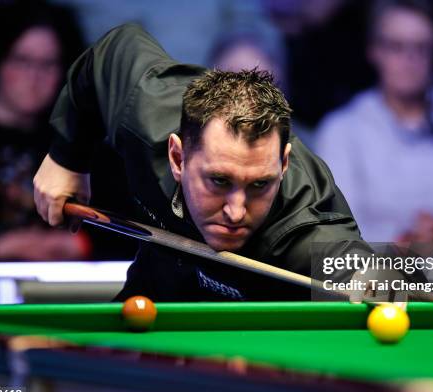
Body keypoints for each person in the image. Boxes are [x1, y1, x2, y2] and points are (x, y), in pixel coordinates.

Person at [33, 23, 372, 302]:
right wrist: (67, 158)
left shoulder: (306, 232)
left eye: (259, 185)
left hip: (264, 325)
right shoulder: (148, 114)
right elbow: (113, 51)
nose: (236, 211)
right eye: (219, 181)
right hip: (161, 285)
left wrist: (391, 282)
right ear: (177, 157)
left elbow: (383, 274)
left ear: (282, 165)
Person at [315, 0, 433, 244]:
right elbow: (336, 226)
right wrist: (401, 243)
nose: (409, 59)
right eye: (396, 46)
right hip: (371, 269)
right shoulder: (340, 132)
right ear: (374, 51)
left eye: (421, 47)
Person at [0, 2, 92, 267]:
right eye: (22, 60)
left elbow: (126, 228)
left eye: (48, 64)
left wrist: (83, 243)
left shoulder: (80, 142)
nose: (35, 77)